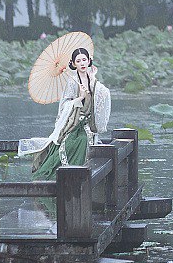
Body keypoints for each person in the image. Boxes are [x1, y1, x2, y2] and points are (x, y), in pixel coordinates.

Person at [19, 46, 111, 180]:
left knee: (86, 138)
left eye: (84, 60)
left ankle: (83, 174)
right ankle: (70, 175)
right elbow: (65, 105)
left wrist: (93, 87)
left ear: (89, 61)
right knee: (77, 140)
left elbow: (103, 94)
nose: (82, 63)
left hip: (87, 123)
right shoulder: (72, 82)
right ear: (74, 64)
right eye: (78, 61)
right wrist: (79, 97)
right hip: (73, 123)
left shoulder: (93, 80)